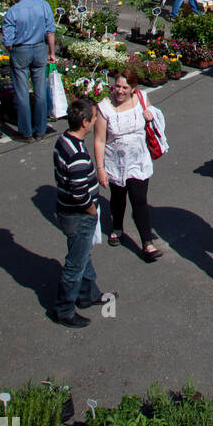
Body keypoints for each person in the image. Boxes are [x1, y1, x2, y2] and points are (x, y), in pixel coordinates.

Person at [51, 97, 110, 327]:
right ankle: (64, 308)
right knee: (75, 264)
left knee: (83, 254)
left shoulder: (64, 140)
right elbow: (79, 193)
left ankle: (88, 293)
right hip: (78, 215)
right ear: (85, 122)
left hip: (66, 211)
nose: (96, 121)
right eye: (94, 117)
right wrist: (92, 209)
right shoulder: (77, 154)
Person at [93, 68, 163, 261]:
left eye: (125, 87)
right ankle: (117, 226)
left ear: (133, 88)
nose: (120, 91)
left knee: (139, 199)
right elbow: (99, 140)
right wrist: (100, 169)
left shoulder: (141, 98)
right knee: (117, 197)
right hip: (115, 160)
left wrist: (150, 116)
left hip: (138, 159)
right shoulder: (104, 108)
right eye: (117, 86)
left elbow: (155, 121)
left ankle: (147, 243)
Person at [1, 0, 57, 142]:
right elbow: (50, 31)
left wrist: (15, 51)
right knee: (40, 91)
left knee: (22, 92)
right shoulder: (43, 5)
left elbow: (7, 40)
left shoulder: (13, 11)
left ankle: (26, 132)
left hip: (21, 50)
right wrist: (51, 52)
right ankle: (40, 129)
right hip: (40, 48)